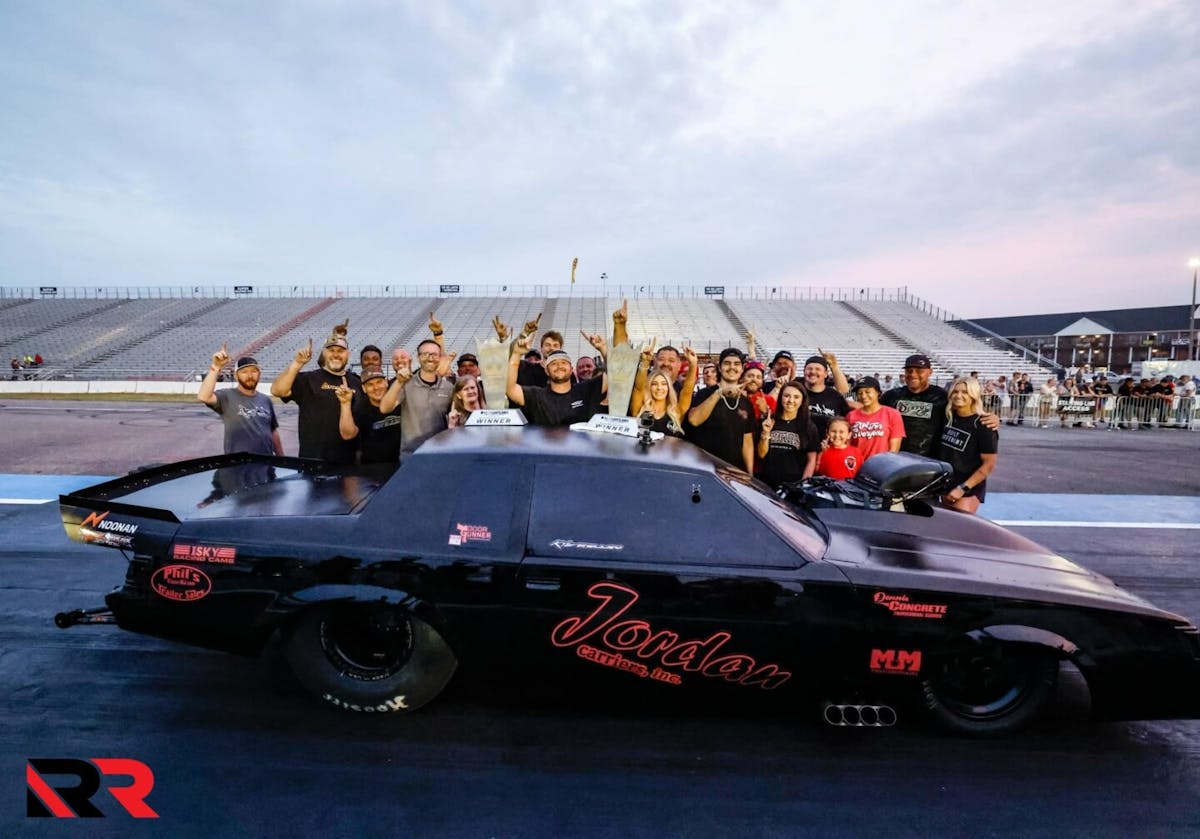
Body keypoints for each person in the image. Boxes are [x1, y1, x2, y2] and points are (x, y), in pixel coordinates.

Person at [270, 320, 361, 462]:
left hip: (348, 463)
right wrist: (297, 364)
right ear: (324, 353)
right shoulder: (308, 379)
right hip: (312, 462)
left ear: (347, 354)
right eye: (331, 350)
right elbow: (277, 391)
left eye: (340, 351)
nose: (336, 354)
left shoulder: (357, 382)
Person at [882, 353, 998, 456]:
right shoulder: (892, 396)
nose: (913, 374)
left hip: (930, 461)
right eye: (909, 371)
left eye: (919, 371)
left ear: (930, 372)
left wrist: (990, 417)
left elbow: (966, 413)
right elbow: (870, 411)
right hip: (896, 458)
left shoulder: (942, 396)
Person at [507, 333, 608, 427]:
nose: (559, 366)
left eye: (564, 362)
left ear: (571, 369)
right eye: (554, 363)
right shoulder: (537, 396)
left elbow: (615, 375)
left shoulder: (585, 390)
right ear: (546, 371)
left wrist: (604, 349)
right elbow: (510, 389)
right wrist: (516, 354)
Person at [198, 346, 284, 456]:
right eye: (244, 372)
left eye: (254, 371)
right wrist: (216, 367)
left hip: (265, 463)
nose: (250, 375)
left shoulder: (265, 400)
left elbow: (272, 431)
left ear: (259, 374)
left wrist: (281, 456)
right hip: (237, 464)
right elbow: (204, 396)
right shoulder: (227, 396)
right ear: (236, 376)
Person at [379, 339, 455, 461]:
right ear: (418, 357)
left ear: (440, 358)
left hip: (440, 455)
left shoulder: (448, 388)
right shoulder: (406, 384)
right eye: (425, 354)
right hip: (411, 457)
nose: (430, 358)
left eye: (434, 354)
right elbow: (385, 408)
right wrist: (399, 382)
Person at [685, 347, 754, 472]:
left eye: (737, 364)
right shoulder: (705, 394)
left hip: (733, 471)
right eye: (727, 363)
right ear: (720, 368)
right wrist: (719, 393)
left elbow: (747, 441)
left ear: (742, 369)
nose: (732, 367)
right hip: (705, 468)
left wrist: (750, 474)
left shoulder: (746, 403)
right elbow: (694, 420)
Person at [937, 377, 999, 515]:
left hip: (968, 488)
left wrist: (963, 488)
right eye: (955, 392)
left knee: (959, 530)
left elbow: (989, 465)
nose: (959, 396)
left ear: (974, 395)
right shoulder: (948, 417)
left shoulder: (984, 424)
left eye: (965, 392)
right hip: (946, 485)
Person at [756, 381, 820, 487]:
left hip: (793, 485)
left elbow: (811, 460)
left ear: (802, 400)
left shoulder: (808, 426)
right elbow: (761, 454)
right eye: (787, 396)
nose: (791, 401)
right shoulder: (770, 421)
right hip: (767, 483)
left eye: (796, 397)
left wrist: (803, 484)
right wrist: (765, 433)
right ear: (781, 398)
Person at [335, 366, 402, 463]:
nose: (376, 388)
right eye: (370, 384)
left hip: (402, 465)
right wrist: (345, 403)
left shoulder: (400, 403)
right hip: (372, 469)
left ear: (386, 382)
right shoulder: (361, 409)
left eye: (379, 382)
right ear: (364, 388)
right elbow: (348, 435)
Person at [845, 376, 905, 463]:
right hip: (857, 466)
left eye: (868, 392)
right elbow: (847, 445)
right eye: (860, 393)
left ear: (878, 392)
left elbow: (894, 449)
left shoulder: (892, 414)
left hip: (882, 467)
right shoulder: (851, 416)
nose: (863, 396)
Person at [800, 353, 849, 437]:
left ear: (826, 373)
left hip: (828, 445)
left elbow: (845, 392)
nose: (813, 372)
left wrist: (834, 366)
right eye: (809, 369)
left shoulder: (834, 396)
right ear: (804, 371)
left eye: (818, 369)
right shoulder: (797, 391)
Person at [637, 368, 685, 437]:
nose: (659, 388)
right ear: (649, 387)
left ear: (669, 388)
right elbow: (638, 388)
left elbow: (687, 392)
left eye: (664, 384)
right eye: (654, 384)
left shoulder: (676, 410)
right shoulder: (641, 409)